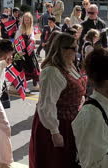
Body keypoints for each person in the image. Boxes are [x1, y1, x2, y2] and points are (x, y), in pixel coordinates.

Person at [29, 33, 87, 168]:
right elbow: (47, 104)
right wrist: (55, 132)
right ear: (63, 49)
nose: (76, 51)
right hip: (58, 124)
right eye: (73, 48)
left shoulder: (69, 65)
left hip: (70, 122)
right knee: (54, 161)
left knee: (68, 160)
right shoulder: (52, 72)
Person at [14, 12, 40, 91]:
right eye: (25, 20)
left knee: (34, 67)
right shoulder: (20, 28)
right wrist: (19, 51)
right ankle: (14, 86)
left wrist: (33, 40)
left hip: (29, 51)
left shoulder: (31, 27)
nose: (26, 21)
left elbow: (32, 36)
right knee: (19, 68)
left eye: (28, 20)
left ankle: (35, 85)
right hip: (21, 51)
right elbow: (16, 40)